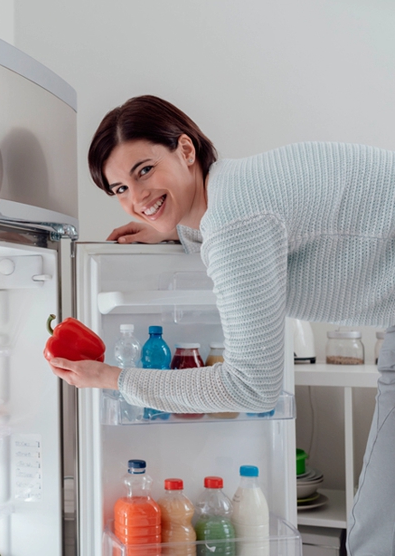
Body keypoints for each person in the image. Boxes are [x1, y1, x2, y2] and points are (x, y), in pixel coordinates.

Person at [46, 95, 395, 556]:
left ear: (186, 151)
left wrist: (114, 378)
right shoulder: (232, 196)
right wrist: (174, 225)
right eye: (120, 190)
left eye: (145, 171)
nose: (136, 198)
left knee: (380, 532)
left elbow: (252, 388)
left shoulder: (234, 220)